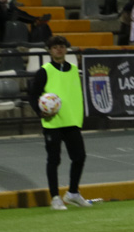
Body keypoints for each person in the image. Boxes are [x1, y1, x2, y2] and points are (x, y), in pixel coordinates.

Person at [28, 36, 94, 211]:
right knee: (54, 160)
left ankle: (72, 193)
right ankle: (55, 197)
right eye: (55, 47)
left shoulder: (73, 69)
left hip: (71, 121)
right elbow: (33, 94)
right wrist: (39, 110)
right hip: (52, 123)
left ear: (66, 49)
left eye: (62, 47)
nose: (59, 50)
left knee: (79, 157)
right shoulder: (45, 71)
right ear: (49, 50)